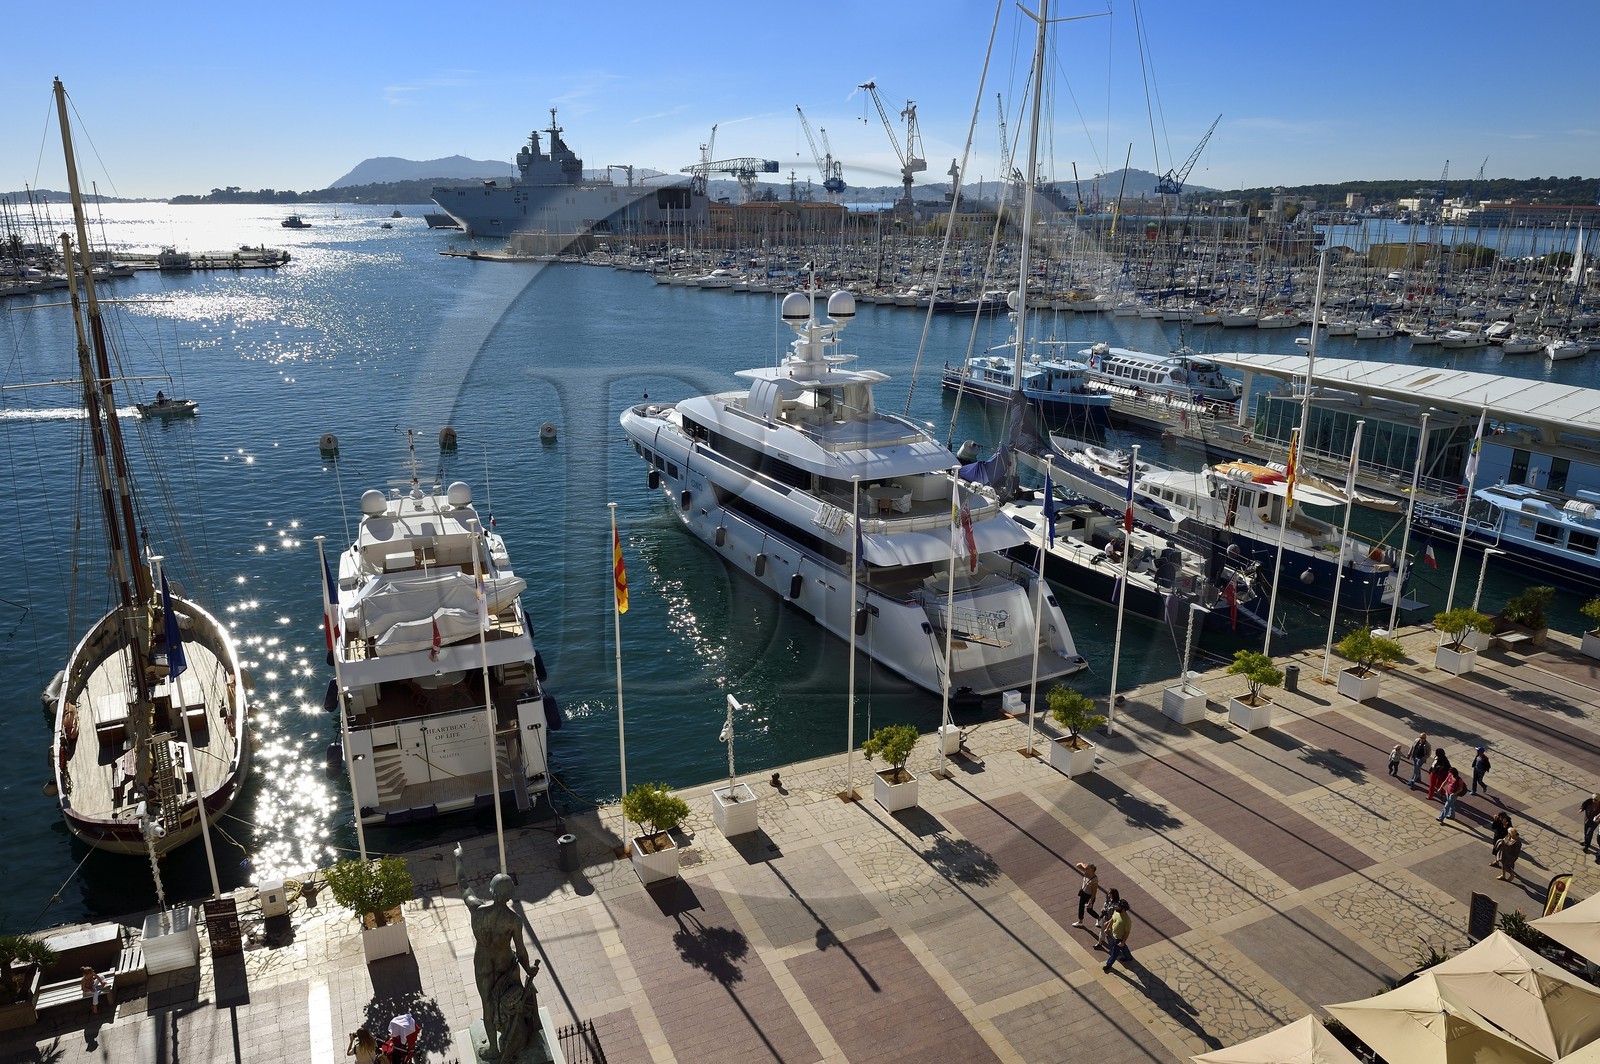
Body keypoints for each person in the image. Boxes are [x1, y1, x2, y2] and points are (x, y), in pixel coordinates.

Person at [454, 843, 533, 1060]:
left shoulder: (476, 910)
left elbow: (462, 884)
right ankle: (513, 1034)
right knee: (512, 1000)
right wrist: (528, 970)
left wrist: (459, 858)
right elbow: (522, 951)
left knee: (487, 1005)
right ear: (509, 896)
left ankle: (494, 1050)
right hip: (505, 963)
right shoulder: (514, 921)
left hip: (483, 965)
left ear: (491, 890)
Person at [1102, 900, 1133, 973]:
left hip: (1119, 938)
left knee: (1114, 953)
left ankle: (1108, 965)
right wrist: (1107, 927)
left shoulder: (1127, 920)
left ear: (1123, 909)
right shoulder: (1116, 912)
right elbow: (1112, 919)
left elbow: (1127, 933)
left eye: (1118, 906)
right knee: (1123, 947)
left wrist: (1122, 942)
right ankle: (1129, 957)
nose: (1116, 907)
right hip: (1114, 934)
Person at [1072, 862, 1100, 928]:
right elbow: (1077, 865)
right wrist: (1083, 864)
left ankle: (1099, 918)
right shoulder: (1086, 872)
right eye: (1086, 868)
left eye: (1087, 868)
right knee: (1081, 907)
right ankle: (1080, 922)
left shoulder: (1095, 880)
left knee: (1089, 910)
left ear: (1092, 870)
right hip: (1083, 893)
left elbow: (1094, 892)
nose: (1085, 869)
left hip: (1089, 895)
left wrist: (1090, 900)